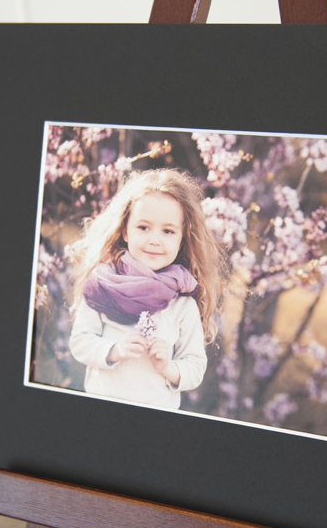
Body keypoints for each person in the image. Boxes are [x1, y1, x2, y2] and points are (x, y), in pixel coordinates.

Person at [68, 168, 226, 410]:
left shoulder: (182, 303)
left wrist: (168, 367)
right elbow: (80, 342)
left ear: (182, 239)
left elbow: (194, 367)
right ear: (125, 230)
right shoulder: (102, 285)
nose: (155, 240)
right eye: (143, 227)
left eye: (168, 231)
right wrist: (114, 350)